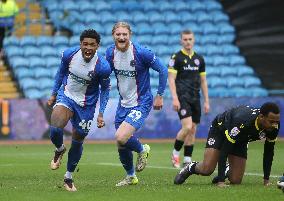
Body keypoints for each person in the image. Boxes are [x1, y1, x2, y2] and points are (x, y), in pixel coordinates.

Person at [47, 29, 111, 192]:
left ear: (98, 46)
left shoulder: (102, 67)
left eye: (92, 44)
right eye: (85, 44)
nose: (88, 48)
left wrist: (101, 112)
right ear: (80, 44)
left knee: (77, 140)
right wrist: (54, 94)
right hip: (66, 96)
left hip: (86, 106)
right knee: (55, 128)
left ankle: (68, 177)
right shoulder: (69, 55)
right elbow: (60, 73)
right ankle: (60, 148)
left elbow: (105, 90)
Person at [105, 22, 168, 186]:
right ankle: (131, 176)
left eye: (124, 34)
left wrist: (160, 95)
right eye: (118, 34)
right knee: (121, 142)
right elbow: (105, 73)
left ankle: (142, 149)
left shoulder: (141, 53)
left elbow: (163, 69)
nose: (121, 37)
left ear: (129, 35)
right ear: (113, 36)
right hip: (123, 103)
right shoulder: (110, 53)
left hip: (141, 102)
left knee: (120, 136)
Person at [174, 102, 280, 187]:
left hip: (241, 139)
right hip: (220, 130)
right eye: (271, 122)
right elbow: (224, 151)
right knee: (207, 169)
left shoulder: (274, 126)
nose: (274, 125)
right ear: (261, 117)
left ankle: (227, 170)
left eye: (276, 122)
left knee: (236, 180)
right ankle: (190, 167)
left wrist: (266, 180)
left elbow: (269, 152)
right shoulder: (243, 122)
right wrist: (221, 182)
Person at [168, 30, 209, 168]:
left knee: (193, 130)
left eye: (190, 39)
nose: (188, 41)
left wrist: (207, 101)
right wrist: (175, 98)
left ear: (194, 40)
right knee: (187, 126)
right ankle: (175, 153)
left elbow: (203, 81)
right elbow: (171, 79)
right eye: (185, 39)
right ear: (181, 41)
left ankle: (187, 159)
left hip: (195, 98)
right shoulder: (176, 57)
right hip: (182, 97)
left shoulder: (199, 59)